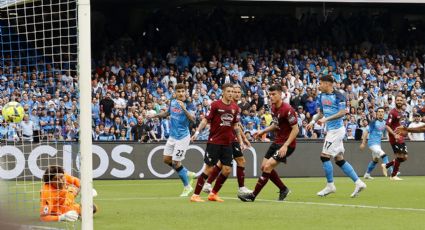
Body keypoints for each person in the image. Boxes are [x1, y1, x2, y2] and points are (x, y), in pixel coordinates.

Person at [306, 75, 366, 198]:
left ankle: (330, 186)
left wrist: (325, 119)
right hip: (331, 130)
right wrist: (312, 122)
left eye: (321, 83)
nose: (319, 85)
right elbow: (321, 112)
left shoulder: (339, 96)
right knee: (339, 159)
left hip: (337, 130)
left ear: (328, 84)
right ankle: (359, 182)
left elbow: (342, 112)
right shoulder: (321, 95)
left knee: (324, 157)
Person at [238, 85, 299, 202]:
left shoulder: (288, 109)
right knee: (263, 167)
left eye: (274, 94)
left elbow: (296, 129)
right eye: (269, 95)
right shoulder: (273, 107)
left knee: (267, 167)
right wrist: (263, 131)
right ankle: (283, 189)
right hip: (277, 141)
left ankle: (253, 196)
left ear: (280, 94)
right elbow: (276, 125)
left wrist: (285, 146)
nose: (271, 97)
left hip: (287, 144)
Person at [190, 83, 243, 202]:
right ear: (223, 92)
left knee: (227, 169)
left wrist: (240, 140)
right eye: (228, 91)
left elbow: (235, 125)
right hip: (215, 142)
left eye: (232, 91)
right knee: (208, 168)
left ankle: (213, 194)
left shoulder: (235, 107)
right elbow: (205, 120)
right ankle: (195, 195)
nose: (231, 93)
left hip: (227, 143)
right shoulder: (215, 105)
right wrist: (197, 132)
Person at [202, 84, 252, 195]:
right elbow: (235, 126)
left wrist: (243, 138)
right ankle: (241, 187)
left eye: (239, 92)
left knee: (222, 164)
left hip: (231, 137)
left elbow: (236, 125)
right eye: (235, 92)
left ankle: (208, 183)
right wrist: (243, 139)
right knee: (240, 161)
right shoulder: (228, 105)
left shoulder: (235, 106)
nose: (237, 94)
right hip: (228, 138)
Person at [149, 83, 196, 197]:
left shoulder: (189, 104)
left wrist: (184, 108)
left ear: (185, 92)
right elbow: (167, 113)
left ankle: (187, 187)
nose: (180, 93)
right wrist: (155, 116)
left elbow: (193, 120)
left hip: (183, 137)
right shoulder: (173, 102)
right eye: (178, 91)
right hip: (172, 136)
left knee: (176, 162)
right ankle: (186, 172)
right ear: (175, 93)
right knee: (166, 159)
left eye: (182, 91)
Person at [360, 107, 391, 179]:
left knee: (375, 160)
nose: (380, 113)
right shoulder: (373, 122)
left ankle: (367, 174)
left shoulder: (384, 122)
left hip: (378, 144)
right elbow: (366, 132)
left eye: (382, 112)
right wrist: (363, 143)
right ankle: (392, 172)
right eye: (379, 111)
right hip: (372, 144)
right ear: (377, 113)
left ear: (384, 113)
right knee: (384, 155)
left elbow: (387, 130)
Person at [381, 95, 407, 180]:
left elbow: (400, 124)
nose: (399, 101)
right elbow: (387, 126)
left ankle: (386, 165)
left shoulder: (402, 112)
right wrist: (394, 134)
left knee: (405, 157)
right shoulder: (392, 112)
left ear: (403, 102)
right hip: (394, 138)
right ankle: (393, 175)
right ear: (395, 101)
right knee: (400, 156)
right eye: (398, 100)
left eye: (401, 100)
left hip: (401, 137)